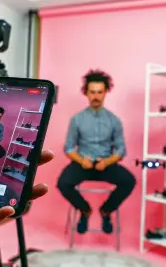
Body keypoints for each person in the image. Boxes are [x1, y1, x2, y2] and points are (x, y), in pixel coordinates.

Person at [57, 69, 136, 235]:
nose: (96, 96)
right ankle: (85, 210)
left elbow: (121, 150)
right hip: (83, 163)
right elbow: (69, 147)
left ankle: (106, 211)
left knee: (129, 181)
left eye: (100, 92)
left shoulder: (114, 121)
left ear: (106, 92)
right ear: (86, 93)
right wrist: (81, 160)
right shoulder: (77, 119)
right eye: (92, 92)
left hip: (105, 164)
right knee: (63, 183)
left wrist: (107, 162)